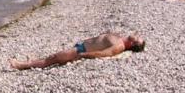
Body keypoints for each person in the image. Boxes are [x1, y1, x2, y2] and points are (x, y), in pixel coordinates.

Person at [10, 32, 146, 70]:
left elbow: (105, 53)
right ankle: (30, 62)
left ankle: (21, 65)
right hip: (81, 46)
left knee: (52, 59)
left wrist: (83, 55)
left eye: (138, 38)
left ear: (133, 43)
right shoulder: (121, 39)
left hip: (81, 50)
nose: (137, 35)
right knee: (53, 58)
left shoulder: (119, 46)